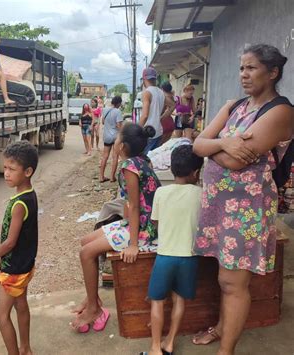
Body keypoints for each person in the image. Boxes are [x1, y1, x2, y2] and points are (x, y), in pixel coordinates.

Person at [192, 44, 293, 355]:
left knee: (233, 283)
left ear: (273, 72)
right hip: (220, 210)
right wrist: (226, 143)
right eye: (241, 68)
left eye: (252, 68)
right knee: (225, 279)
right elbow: (197, 144)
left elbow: (237, 162)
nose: (244, 75)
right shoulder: (235, 106)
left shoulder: (281, 111)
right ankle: (223, 328)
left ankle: (227, 350)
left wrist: (216, 149)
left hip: (246, 214)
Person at [71, 123, 160, 332]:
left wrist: (134, 245)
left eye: (118, 139)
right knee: (85, 242)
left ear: (122, 146)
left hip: (143, 230)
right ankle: (92, 297)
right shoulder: (143, 160)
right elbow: (134, 205)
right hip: (139, 222)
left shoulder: (128, 167)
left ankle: (94, 308)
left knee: (86, 253)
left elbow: (136, 206)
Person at [143, 145, 204, 355]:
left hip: (165, 256)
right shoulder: (201, 194)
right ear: (196, 173)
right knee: (180, 300)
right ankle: (169, 342)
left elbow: (156, 222)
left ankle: (154, 347)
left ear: (171, 168)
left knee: (157, 302)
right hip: (189, 257)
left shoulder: (161, 192)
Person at [0, 141, 39, 355]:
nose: (6, 173)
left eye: (12, 169)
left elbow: (10, 242)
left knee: (0, 315)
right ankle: (26, 348)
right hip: (25, 264)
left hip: (14, 269)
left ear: (28, 171)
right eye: (5, 168)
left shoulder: (19, 204)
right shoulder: (29, 194)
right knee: (21, 306)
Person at [139, 68, 166, 155]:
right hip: (158, 131)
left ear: (144, 79)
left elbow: (145, 115)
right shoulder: (161, 92)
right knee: (154, 159)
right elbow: (172, 105)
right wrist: (161, 117)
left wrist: (137, 129)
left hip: (148, 132)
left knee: (143, 160)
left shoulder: (147, 92)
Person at [100, 96, 124, 183]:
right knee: (115, 157)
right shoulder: (118, 111)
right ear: (118, 103)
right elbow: (119, 125)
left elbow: (102, 121)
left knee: (105, 156)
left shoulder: (105, 109)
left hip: (106, 136)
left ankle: (101, 177)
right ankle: (112, 177)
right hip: (115, 136)